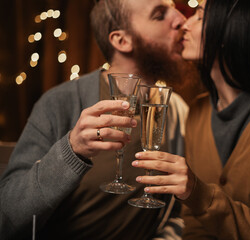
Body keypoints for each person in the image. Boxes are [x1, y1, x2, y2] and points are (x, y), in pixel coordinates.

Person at [131, 0, 250, 239]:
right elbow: (194, 224)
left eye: (200, 16)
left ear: (229, 33)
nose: (186, 23)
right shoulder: (198, 111)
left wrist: (198, 192)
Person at [0, 0, 189, 239]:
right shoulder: (60, 102)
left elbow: (178, 211)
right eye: (159, 14)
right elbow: (6, 215)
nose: (180, 18)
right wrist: (72, 150)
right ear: (122, 40)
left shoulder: (175, 110)